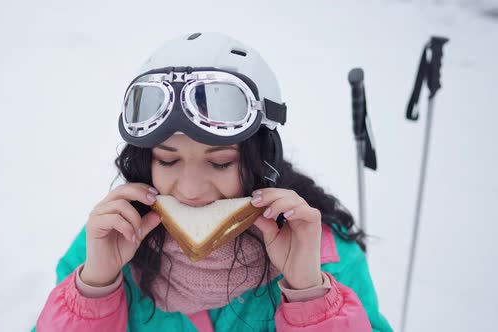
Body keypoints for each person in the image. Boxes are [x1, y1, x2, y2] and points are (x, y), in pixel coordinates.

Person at [34, 32, 392, 331]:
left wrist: (310, 294)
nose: (190, 191)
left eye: (221, 163)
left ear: (262, 161)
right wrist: (95, 289)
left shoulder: (327, 259)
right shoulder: (106, 243)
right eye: (168, 159)